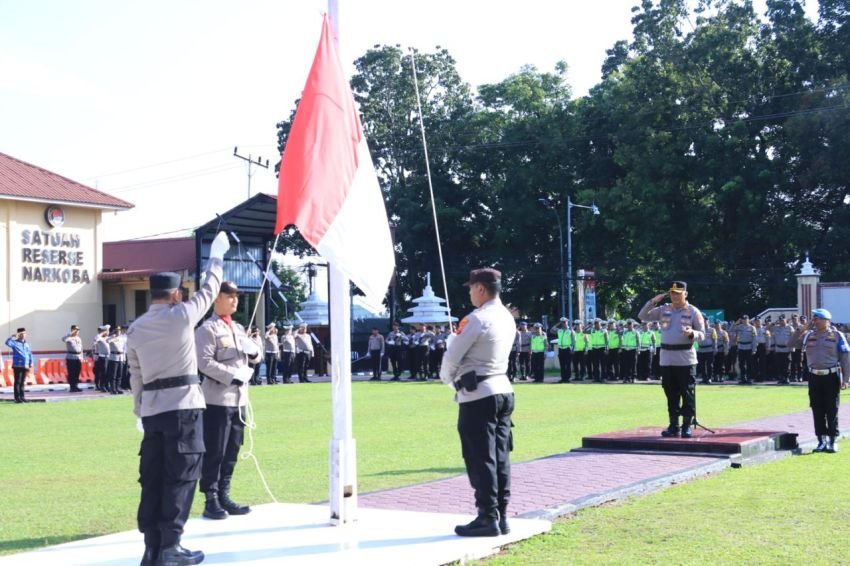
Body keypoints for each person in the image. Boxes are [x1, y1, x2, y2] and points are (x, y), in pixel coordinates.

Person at [126, 229, 229, 566]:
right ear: (174, 295)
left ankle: (152, 548)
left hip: (153, 412)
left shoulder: (136, 328)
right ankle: (170, 548)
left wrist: (140, 411)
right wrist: (217, 256)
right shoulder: (182, 315)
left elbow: (136, 375)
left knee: (153, 478)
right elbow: (212, 288)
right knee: (181, 477)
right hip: (184, 409)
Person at [439, 268, 515, 537]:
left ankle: (486, 517)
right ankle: (501, 515)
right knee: (500, 455)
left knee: (480, 457)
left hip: (477, 393)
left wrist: (447, 380)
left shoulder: (476, 319)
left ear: (481, 288)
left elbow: (452, 357)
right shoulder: (506, 316)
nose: (469, 292)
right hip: (502, 389)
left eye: (471, 287)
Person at [195, 281, 261, 520]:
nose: (234, 300)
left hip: (240, 400)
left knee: (233, 449)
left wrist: (253, 351)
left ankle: (224, 494)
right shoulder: (207, 329)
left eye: (236, 297)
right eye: (229, 296)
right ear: (216, 299)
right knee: (215, 450)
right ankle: (210, 498)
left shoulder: (239, 328)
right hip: (217, 399)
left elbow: (254, 356)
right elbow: (204, 362)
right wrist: (232, 375)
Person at [638, 281, 705, 438]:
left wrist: (692, 333)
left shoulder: (694, 311)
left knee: (687, 393)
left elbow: (702, 334)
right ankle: (673, 425)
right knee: (670, 393)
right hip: (667, 358)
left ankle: (687, 425)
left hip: (685, 359)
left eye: (678, 293)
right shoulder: (663, 309)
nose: (675, 296)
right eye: (673, 293)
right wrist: (653, 301)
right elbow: (642, 316)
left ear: (685, 294)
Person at [803, 309, 850, 453]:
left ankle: (832, 440)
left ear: (827, 320)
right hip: (814, 376)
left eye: (818, 318)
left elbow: (845, 357)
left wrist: (846, 378)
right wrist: (803, 328)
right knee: (817, 409)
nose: (815, 321)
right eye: (814, 319)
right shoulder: (809, 335)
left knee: (831, 409)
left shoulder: (837, 335)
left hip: (831, 376)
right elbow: (791, 343)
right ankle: (821, 440)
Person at [6, 328, 33, 403]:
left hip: (25, 365)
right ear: (18, 334)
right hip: (17, 365)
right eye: (21, 334)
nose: (23, 335)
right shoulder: (14, 343)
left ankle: (22, 397)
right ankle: (17, 398)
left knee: (22, 382)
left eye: (24, 333)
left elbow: (29, 354)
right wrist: (12, 336)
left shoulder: (26, 344)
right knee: (18, 382)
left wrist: (31, 362)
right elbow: (7, 342)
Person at [549, 317, 574, 383]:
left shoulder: (570, 331)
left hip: (568, 348)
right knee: (562, 364)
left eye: (564, 322)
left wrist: (572, 349)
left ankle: (568, 378)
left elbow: (574, 341)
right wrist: (558, 323)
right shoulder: (559, 330)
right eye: (562, 322)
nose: (563, 323)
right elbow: (551, 330)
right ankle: (563, 378)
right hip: (561, 348)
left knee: (568, 364)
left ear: (567, 322)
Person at [734, 315, 756, 384]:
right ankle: (743, 378)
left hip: (749, 347)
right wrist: (736, 323)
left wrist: (754, 349)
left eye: (746, 319)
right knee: (741, 364)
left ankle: (749, 378)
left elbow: (754, 339)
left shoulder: (752, 328)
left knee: (749, 364)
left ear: (748, 320)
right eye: (743, 319)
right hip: (741, 347)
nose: (744, 320)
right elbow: (730, 330)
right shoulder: (739, 327)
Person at [62, 324, 84, 392]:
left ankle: (76, 386)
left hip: (78, 357)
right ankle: (72, 387)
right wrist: (70, 333)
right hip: (71, 357)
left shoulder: (78, 338)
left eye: (78, 330)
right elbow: (63, 339)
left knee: (77, 372)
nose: (77, 331)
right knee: (72, 373)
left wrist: (82, 357)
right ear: (72, 330)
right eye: (76, 330)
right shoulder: (69, 338)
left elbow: (81, 348)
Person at [106, 326, 127, 394]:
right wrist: (113, 336)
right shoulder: (111, 338)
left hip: (121, 357)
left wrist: (124, 359)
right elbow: (107, 341)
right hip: (114, 357)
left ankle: (118, 388)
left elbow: (124, 348)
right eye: (117, 330)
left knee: (119, 374)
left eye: (119, 330)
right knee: (113, 375)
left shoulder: (122, 338)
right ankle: (113, 389)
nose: (119, 332)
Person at [93, 324, 110, 392]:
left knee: (107, 372)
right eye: (100, 330)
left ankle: (106, 385)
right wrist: (102, 333)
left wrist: (107, 330)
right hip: (101, 357)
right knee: (101, 372)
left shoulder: (107, 338)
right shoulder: (99, 338)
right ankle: (100, 385)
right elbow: (95, 339)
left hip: (108, 357)